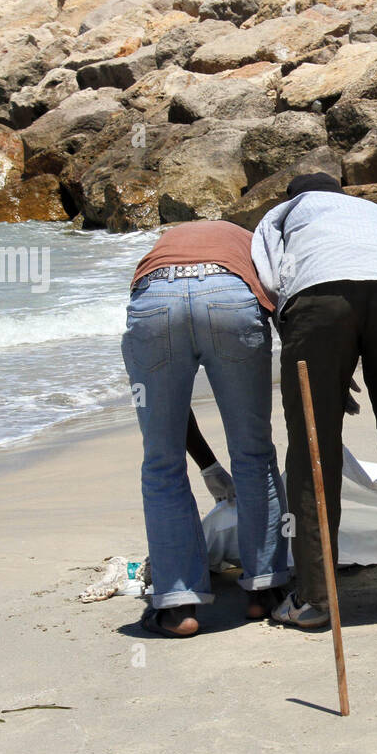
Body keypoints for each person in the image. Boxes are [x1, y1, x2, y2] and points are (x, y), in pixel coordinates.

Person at [252, 172, 377, 629]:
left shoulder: (285, 213)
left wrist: (323, 357)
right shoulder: (375, 212)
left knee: (312, 449)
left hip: (319, 298)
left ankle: (316, 598)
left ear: (295, 197)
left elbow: (268, 280)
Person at [123, 221, 291, 638]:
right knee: (254, 454)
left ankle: (179, 607)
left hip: (155, 299)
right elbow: (282, 297)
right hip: (231, 296)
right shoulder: (252, 239)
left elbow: (171, 411)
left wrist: (206, 466)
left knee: (160, 463)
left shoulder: (164, 246)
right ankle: (265, 590)